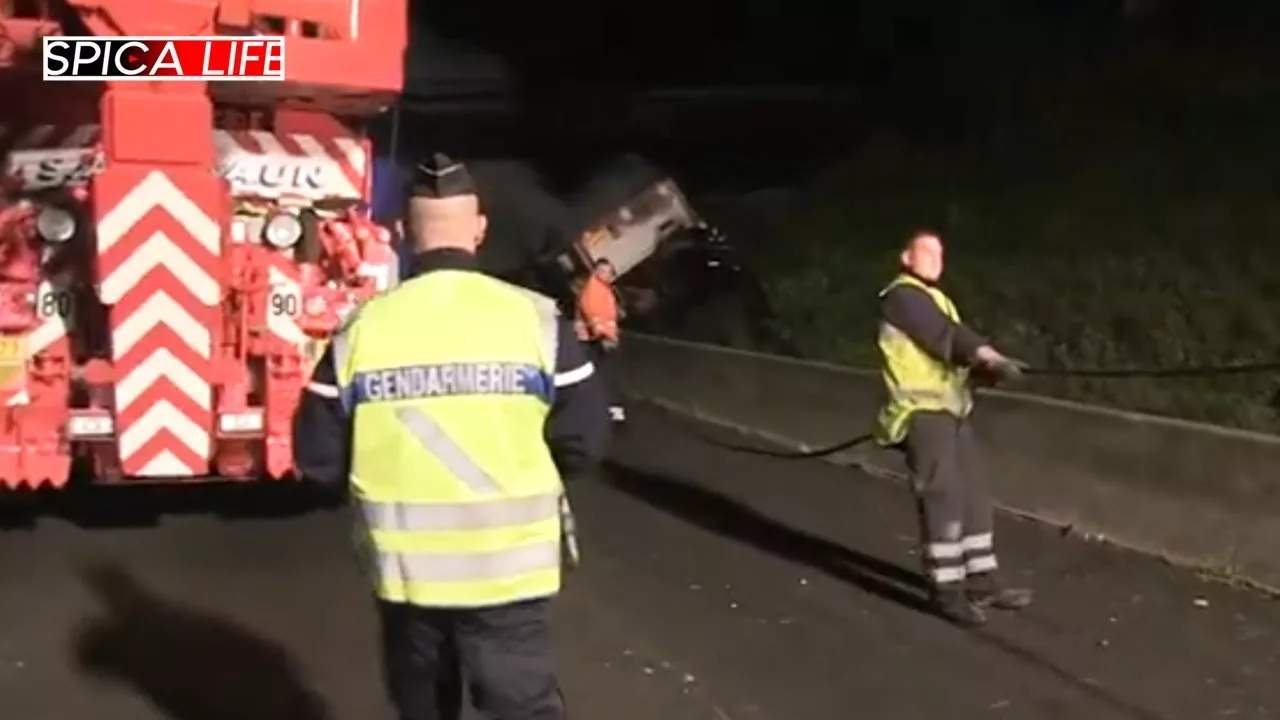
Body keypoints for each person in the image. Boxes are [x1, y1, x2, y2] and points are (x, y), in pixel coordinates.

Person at [293, 153, 610, 720]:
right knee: (520, 706)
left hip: (408, 578)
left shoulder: (361, 331)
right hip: (509, 572)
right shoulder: (536, 321)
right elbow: (585, 437)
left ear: (402, 234)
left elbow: (317, 457)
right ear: (479, 229)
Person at [873, 230, 1033, 628]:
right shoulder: (902, 295)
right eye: (926, 251)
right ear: (906, 257)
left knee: (975, 492)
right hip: (921, 413)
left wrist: (985, 369)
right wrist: (986, 354)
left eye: (940, 254)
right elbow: (945, 337)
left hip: (951, 412)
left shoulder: (936, 299)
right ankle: (946, 591)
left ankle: (980, 579)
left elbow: (949, 356)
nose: (935, 259)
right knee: (943, 495)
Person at [575, 257, 626, 424]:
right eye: (602, 271)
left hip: (598, 339)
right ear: (596, 272)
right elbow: (594, 314)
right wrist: (604, 335)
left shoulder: (603, 289)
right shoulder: (594, 289)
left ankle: (606, 408)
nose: (606, 275)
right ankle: (609, 409)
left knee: (601, 375)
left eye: (608, 272)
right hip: (597, 339)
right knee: (603, 375)